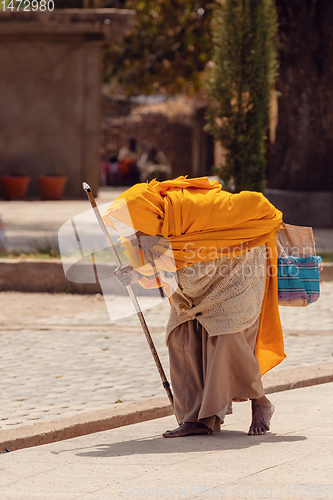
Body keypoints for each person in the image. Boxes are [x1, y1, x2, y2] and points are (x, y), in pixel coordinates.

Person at [103, 176, 285, 437]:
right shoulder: (147, 232)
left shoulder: (191, 210)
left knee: (227, 336)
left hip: (237, 269)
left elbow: (192, 254)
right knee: (181, 336)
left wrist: (145, 269)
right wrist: (136, 273)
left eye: (131, 225)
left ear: (146, 214)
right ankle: (197, 419)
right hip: (193, 282)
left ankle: (260, 400)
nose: (130, 235)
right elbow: (169, 262)